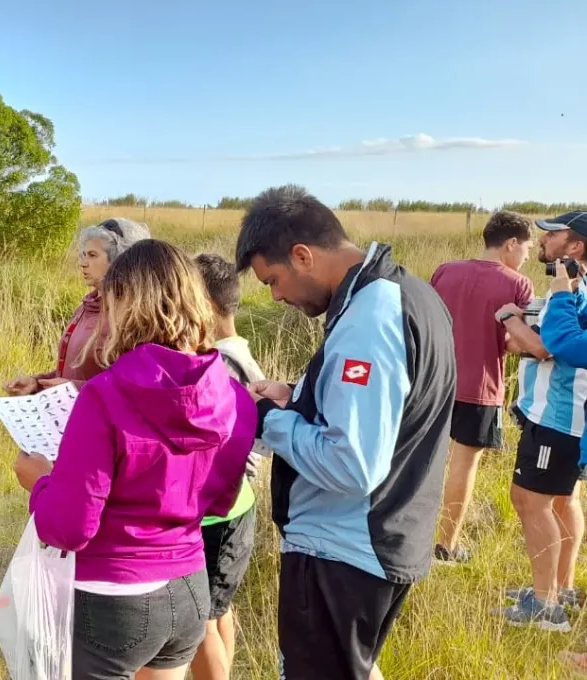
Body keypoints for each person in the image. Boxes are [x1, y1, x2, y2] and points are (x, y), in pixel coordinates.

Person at [236, 186, 455, 680]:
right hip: (381, 535)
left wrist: (268, 421)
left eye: (273, 280)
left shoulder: (369, 319)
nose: (275, 297)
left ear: (302, 255)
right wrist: (298, 397)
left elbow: (352, 462)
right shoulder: (406, 293)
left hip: (343, 549)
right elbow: (392, 409)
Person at [13, 239, 254, 680]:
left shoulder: (106, 396)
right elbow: (220, 500)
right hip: (188, 585)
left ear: (125, 304)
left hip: (112, 593)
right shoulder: (232, 393)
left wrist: (40, 482)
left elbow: (66, 528)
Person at [496, 211, 587, 630]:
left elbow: (553, 346)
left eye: (553, 234)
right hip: (558, 412)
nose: (543, 240)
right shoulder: (573, 287)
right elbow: (531, 344)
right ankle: (557, 587)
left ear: (575, 246)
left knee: (531, 501)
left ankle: (546, 606)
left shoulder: (570, 288)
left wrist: (514, 321)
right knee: (561, 500)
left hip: (560, 415)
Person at [429, 212, 535, 564]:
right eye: (527, 249)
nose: (528, 257)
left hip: (434, 382)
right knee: (464, 467)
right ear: (511, 244)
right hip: (481, 387)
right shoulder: (518, 285)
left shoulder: (445, 271)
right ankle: (446, 546)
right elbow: (516, 344)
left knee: (421, 461)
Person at [192, 254, 267, 680]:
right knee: (218, 609)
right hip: (237, 507)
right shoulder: (239, 353)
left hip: (218, 510)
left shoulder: (218, 363)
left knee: (198, 618)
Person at [4, 217, 149, 395]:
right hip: (70, 418)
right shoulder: (85, 308)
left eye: (93, 255)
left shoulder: (131, 316)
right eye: (83, 254)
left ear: (120, 259)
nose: (82, 263)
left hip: (100, 421)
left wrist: (73, 389)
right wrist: (37, 384)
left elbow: (132, 388)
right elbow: (71, 373)